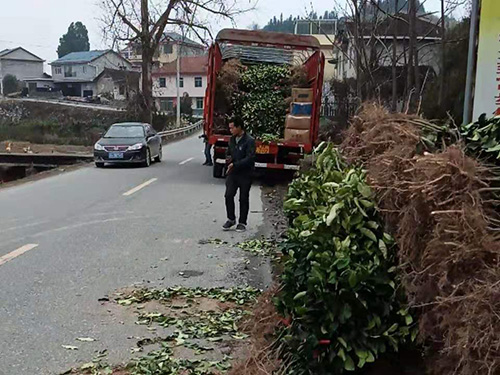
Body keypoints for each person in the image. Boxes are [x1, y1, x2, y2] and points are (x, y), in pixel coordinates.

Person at [222, 118, 255, 232]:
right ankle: (231, 219)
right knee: (228, 195)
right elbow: (229, 152)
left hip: (245, 174)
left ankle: (242, 222)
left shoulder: (249, 141)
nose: (230, 130)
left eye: (232, 127)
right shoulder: (231, 140)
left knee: (243, 198)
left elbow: (250, 158)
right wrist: (228, 160)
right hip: (233, 173)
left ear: (239, 127)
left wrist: (235, 165)